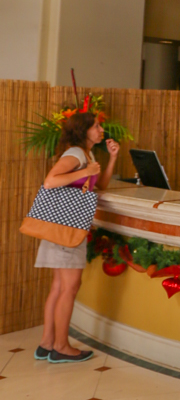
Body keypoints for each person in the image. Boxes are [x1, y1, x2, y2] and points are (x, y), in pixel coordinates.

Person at [36, 109, 119, 363]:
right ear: (83, 131)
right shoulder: (75, 154)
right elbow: (50, 181)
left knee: (59, 287)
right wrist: (84, 171)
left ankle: (47, 343)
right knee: (69, 288)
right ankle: (61, 346)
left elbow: (100, 186)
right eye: (96, 126)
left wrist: (112, 158)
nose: (101, 130)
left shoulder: (87, 154)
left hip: (61, 226)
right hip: (67, 228)